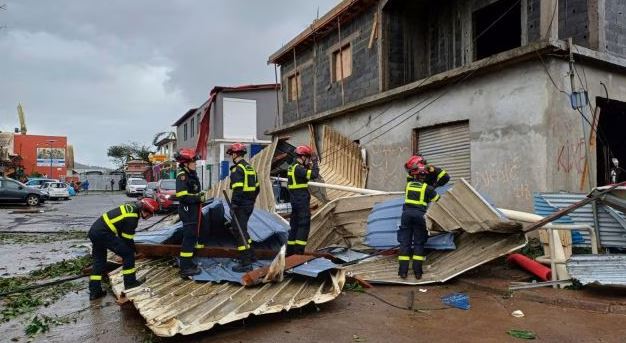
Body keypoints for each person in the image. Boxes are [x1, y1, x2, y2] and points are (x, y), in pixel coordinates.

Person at [88, 198, 158, 300]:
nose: (149, 217)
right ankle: (130, 283)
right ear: (145, 210)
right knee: (128, 255)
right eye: (150, 214)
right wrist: (134, 250)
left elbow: (122, 233)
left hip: (95, 232)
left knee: (99, 261)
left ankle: (94, 292)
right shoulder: (132, 216)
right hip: (103, 234)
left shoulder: (130, 208)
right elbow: (127, 238)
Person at [397, 159, 440, 280]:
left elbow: (409, 175)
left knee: (405, 243)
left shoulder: (408, 186)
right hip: (419, 216)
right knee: (418, 243)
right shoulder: (427, 188)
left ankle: (403, 272)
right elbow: (437, 199)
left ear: (414, 175)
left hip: (406, 215)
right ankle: (418, 273)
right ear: (425, 177)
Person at [226, 143, 260, 272]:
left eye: (231, 155)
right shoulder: (250, 168)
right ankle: (251, 256)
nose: (231, 157)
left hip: (240, 206)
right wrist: (250, 200)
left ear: (235, 155)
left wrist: (234, 205)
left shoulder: (237, 169)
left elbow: (238, 189)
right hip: (249, 205)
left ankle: (245, 263)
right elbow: (257, 188)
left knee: (239, 231)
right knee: (243, 230)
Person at [174, 148, 206, 278]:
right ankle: (185, 268)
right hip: (188, 211)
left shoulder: (191, 174)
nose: (196, 164)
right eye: (193, 162)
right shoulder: (182, 176)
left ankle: (189, 262)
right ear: (186, 163)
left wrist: (199, 195)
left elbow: (193, 191)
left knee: (193, 237)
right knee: (189, 238)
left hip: (194, 210)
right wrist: (198, 198)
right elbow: (182, 196)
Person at [286, 145, 319, 256]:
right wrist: (315, 163)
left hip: (294, 200)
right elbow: (314, 175)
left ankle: (290, 253)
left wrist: (308, 167)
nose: (309, 160)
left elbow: (302, 177)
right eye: (308, 158)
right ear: (304, 157)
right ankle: (298, 253)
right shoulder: (298, 168)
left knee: (294, 225)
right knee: (303, 226)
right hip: (301, 200)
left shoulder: (292, 167)